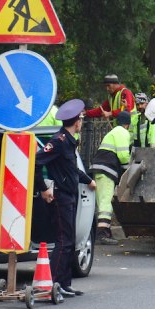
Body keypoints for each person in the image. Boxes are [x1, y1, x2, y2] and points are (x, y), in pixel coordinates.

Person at [34, 99, 96, 297]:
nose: (81, 123)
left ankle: (64, 283)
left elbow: (72, 169)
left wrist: (87, 180)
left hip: (70, 195)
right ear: (76, 122)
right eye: (81, 120)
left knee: (69, 240)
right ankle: (54, 283)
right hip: (60, 196)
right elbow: (36, 161)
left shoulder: (69, 142)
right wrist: (43, 189)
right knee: (64, 240)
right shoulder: (58, 142)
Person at [89, 111, 132, 245]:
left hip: (99, 169)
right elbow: (124, 156)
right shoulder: (123, 133)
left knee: (102, 201)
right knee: (106, 202)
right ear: (128, 124)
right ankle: (102, 234)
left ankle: (104, 231)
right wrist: (128, 169)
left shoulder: (113, 132)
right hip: (106, 170)